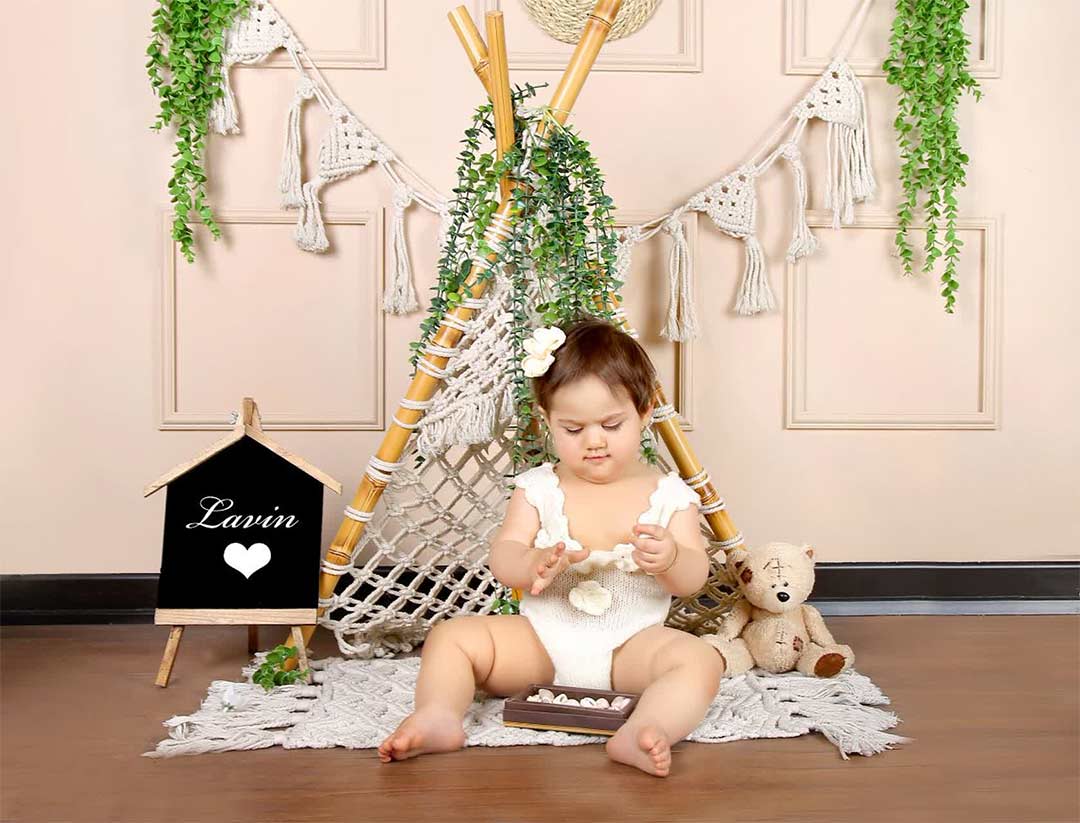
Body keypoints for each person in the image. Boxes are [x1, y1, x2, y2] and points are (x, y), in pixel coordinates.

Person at [378, 318, 724, 776]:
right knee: (451, 637)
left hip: (630, 648)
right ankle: (439, 715)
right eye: (573, 429)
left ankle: (646, 728)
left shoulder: (671, 495)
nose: (594, 441)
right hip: (541, 643)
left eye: (612, 424)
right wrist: (532, 563)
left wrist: (672, 558)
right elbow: (504, 556)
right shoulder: (538, 488)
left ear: (644, 413)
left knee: (700, 660)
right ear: (547, 422)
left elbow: (692, 578)